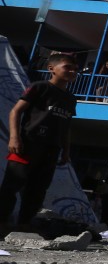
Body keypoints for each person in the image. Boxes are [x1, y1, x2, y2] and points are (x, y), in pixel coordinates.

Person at [0, 52, 77, 227]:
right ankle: (2, 221)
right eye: (67, 67)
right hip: (28, 143)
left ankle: (24, 225)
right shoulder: (40, 87)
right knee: (11, 185)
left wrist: (66, 150)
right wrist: (14, 137)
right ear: (52, 69)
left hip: (52, 148)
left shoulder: (70, 99)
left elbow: (67, 125)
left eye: (75, 69)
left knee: (38, 189)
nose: (72, 71)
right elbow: (16, 111)